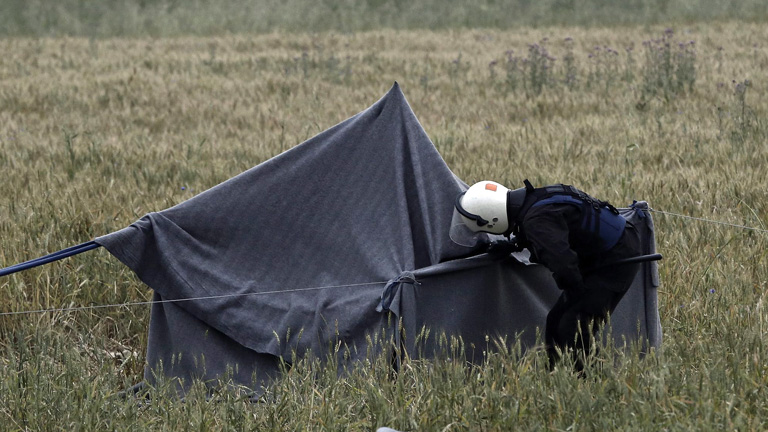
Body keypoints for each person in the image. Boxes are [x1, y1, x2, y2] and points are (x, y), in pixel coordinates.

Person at [454, 179, 642, 371]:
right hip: (613, 248)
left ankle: (594, 383)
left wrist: (577, 293)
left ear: (493, 220)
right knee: (555, 320)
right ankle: (555, 375)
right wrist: (513, 245)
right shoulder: (531, 202)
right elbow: (552, 230)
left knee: (573, 326)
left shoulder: (536, 220)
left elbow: (563, 263)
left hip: (617, 259)